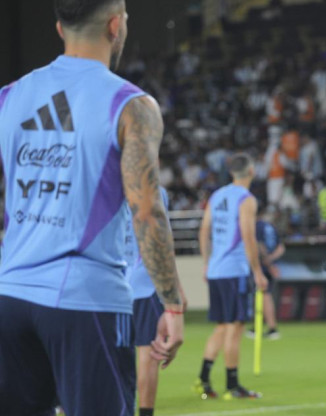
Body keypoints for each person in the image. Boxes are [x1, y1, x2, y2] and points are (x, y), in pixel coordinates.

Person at [0, 1, 185, 414]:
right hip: (85, 302)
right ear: (115, 26)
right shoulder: (131, 105)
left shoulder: (9, 96)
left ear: (60, 28)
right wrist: (171, 303)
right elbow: (148, 211)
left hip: (10, 298)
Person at [195, 153, 267, 400]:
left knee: (223, 326)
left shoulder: (217, 196)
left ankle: (203, 379)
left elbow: (204, 232)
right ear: (251, 171)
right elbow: (248, 236)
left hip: (216, 269)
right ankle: (232, 385)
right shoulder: (246, 199)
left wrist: (207, 264)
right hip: (235, 270)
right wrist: (257, 271)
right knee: (235, 327)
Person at [125, 187, 181, 416]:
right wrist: (175, 295)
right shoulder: (154, 190)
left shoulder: (100, 178)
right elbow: (162, 242)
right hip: (144, 283)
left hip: (108, 285)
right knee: (149, 355)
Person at [257, 208, 286, 339]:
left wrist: (268, 264)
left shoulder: (256, 226)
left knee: (264, 295)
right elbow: (281, 248)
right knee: (264, 295)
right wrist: (273, 262)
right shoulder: (270, 227)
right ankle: (258, 325)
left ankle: (272, 327)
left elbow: (259, 246)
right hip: (271, 265)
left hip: (261, 266)